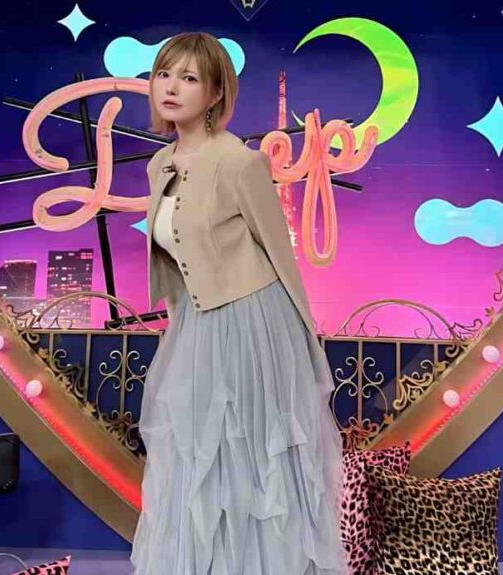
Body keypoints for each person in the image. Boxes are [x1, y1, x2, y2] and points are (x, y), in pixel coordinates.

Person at [131, 32, 346, 575]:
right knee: (196, 458)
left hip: (253, 322)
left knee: (252, 461)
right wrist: (182, 323)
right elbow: (176, 257)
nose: (172, 88)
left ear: (216, 92)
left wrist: (300, 348)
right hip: (196, 325)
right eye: (164, 74)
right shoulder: (160, 163)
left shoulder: (240, 163)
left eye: (189, 77)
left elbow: (280, 256)